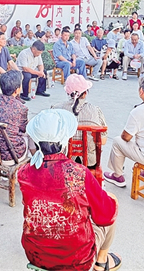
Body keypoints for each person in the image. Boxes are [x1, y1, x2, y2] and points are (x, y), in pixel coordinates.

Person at [18, 109, 120, 271]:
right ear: (64, 141)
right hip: (77, 260)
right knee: (111, 201)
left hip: (36, 255)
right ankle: (101, 261)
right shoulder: (79, 173)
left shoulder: (24, 172)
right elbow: (105, 217)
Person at [52, 74, 107, 167]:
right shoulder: (95, 110)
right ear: (85, 93)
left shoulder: (56, 110)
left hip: (62, 161)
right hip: (88, 162)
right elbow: (103, 141)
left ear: (68, 93)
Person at [0, 71, 29, 163]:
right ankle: (33, 165)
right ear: (17, 90)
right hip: (10, 155)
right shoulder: (21, 108)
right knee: (29, 136)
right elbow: (24, 129)